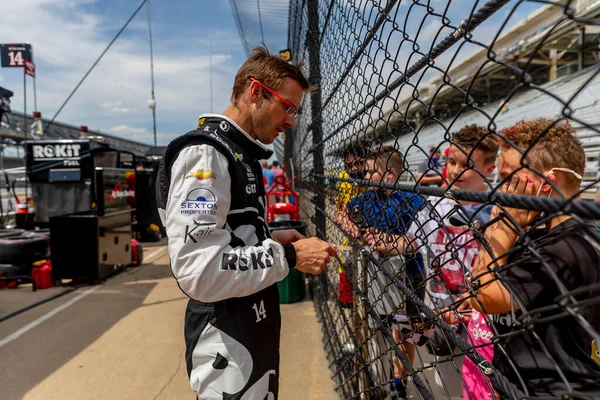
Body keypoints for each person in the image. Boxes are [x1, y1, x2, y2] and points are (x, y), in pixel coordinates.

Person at [155, 46, 337, 399]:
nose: (291, 121)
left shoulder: (239, 153)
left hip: (247, 328)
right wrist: (289, 255)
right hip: (225, 339)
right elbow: (198, 268)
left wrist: (267, 235)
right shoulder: (207, 154)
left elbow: (224, 235)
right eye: (288, 106)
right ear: (256, 92)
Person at [471, 118, 600, 396]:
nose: (499, 189)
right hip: (521, 383)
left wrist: (500, 231)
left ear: (544, 184)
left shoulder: (569, 245)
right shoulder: (538, 231)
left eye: (508, 178)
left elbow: (482, 296)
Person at [375, 125, 499, 398]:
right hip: (439, 314)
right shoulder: (435, 203)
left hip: (476, 320)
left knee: (473, 386)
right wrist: (385, 243)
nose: (454, 171)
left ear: (489, 171)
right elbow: (412, 240)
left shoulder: (493, 213)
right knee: (443, 386)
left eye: (466, 165)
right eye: (451, 161)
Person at [347, 147, 426, 399]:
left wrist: (390, 240)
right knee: (383, 323)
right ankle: (381, 374)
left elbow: (422, 235)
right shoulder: (369, 197)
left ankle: (399, 381)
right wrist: (356, 230)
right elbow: (343, 212)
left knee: (406, 330)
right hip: (380, 275)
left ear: (390, 175)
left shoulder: (412, 199)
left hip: (410, 273)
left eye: (371, 171)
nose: (365, 176)